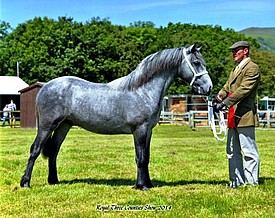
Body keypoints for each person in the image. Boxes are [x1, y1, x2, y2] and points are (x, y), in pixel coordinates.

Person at [214, 41, 260, 188]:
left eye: (236, 50)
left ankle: (252, 182)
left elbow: (244, 89)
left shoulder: (252, 68)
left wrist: (225, 102)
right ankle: (236, 181)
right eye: (232, 51)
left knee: (248, 151)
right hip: (233, 115)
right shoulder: (235, 69)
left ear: (245, 51)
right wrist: (219, 97)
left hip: (245, 115)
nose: (233, 53)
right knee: (232, 150)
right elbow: (227, 86)